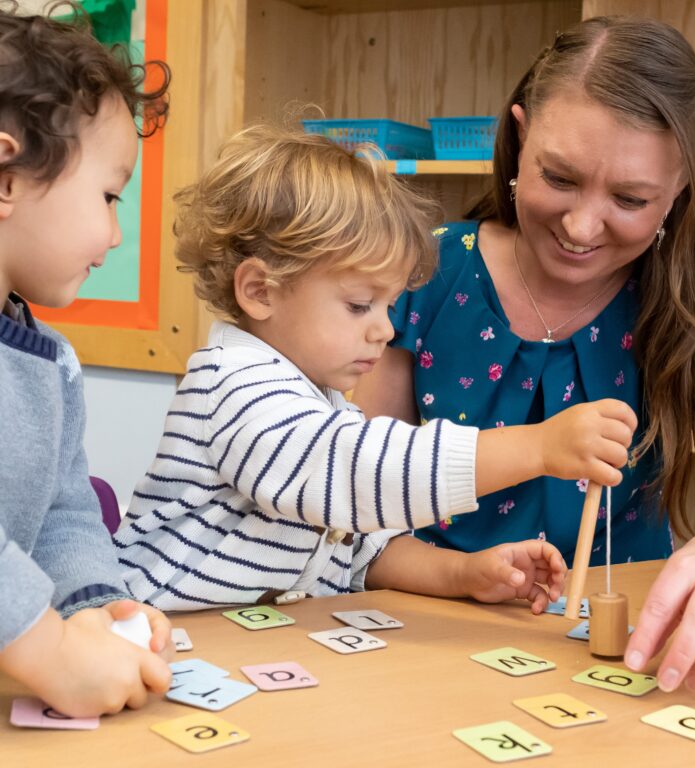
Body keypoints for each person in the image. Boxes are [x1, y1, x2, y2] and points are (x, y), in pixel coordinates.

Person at [354, 15, 695, 693]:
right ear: (518, 137)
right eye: (560, 177)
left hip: (617, 652)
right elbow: (362, 490)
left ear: (681, 190)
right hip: (424, 630)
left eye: (631, 199)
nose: (580, 227)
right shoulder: (421, 270)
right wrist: (454, 575)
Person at [112, 123, 644, 614]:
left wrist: (462, 572)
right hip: (150, 636)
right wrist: (536, 448)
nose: (386, 330)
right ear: (259, 291)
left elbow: (356, 547)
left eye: (388, 307)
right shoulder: (233, 384)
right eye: (358, 305)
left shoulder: (316, 399)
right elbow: (352, 474)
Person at [0, 6, 173, 718]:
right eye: (107, 196)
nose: (112, 232)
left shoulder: (50, 363)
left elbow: (63, 513)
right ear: (5, 178)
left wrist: (96, 604)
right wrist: (50, 650)